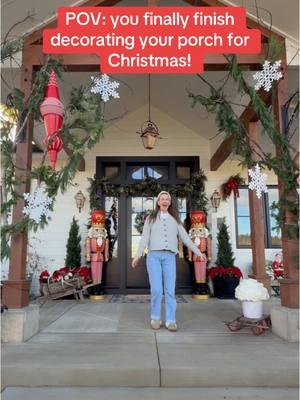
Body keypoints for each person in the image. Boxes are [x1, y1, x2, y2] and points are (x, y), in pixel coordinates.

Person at [131, 191, 203, 332]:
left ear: (170, 203)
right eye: (162, 199)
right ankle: (155, 318)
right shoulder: (150, 219)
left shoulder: (175, 220)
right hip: (154, 257)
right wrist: (137, 256)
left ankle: (171, 320)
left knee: (170, 290)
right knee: (157, 290)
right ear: (158, 202)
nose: (164, 201)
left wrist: (199, 252)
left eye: (167, 199)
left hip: (169, 257)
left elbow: (186, 238)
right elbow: (144, 239)